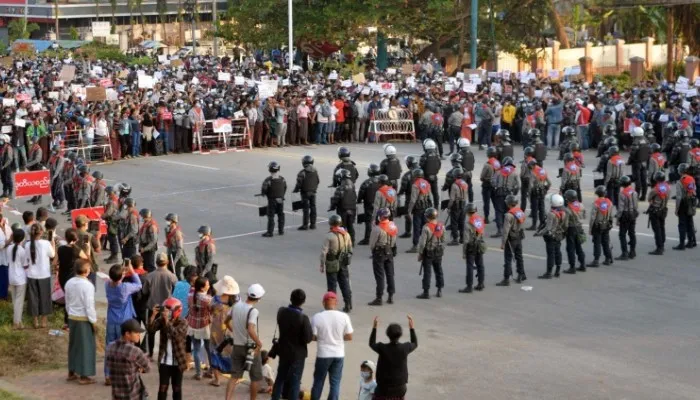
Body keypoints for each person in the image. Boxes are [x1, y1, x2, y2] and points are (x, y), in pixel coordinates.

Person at [224, 283, 266, 400]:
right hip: (250, 348)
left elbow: (226, 321)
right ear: (259, 298)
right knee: (255, 377)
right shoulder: (253, 311)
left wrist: (235, 332)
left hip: (237, 346)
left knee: (234, 376)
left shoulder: (236, 306)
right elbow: (251, 329)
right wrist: (259, 343)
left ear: (247, 294)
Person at [104, 262, 143, 386]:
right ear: (121, 277)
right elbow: (139, 285)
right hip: (124, 321)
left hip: (111, 320)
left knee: (110, 347)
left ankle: (108, 374)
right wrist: (131, 271)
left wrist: (122, 273)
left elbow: (112, 280)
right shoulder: (124, 287)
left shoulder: (107, 285)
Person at [271, 288, 313, 400]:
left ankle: (275, 397)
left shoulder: (281, 311)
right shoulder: (303, 318)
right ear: (303, 301)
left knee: (280, 377)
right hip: (297, 354)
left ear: (291, 298)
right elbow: (308, 338)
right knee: (295, 381)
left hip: (283, 350)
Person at [310, 291, 353, 400]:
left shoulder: (317, 317)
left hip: (323, 355)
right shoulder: (344, 316)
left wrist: (322, 338)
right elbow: (349, 336)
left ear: (323, 303)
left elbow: (312, 337)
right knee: (335, 383)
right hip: (338, 354)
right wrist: (338, 338)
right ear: (336, 303)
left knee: (318, 381)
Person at [65, 258, 97, 385]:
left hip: (72, 317)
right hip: (84, 318)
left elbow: (67, 302)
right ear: (86, 270)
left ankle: (71, 371)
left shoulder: (69, 283)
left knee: (74, 345)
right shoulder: (88, 285)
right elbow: (89, 305)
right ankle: (84, 375)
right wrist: (93, 321)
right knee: (86, 347)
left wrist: (70, 314)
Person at [369, 315, 418, 400]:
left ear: (387, 334)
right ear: (400, 335)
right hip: (400, 389)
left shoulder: (382, 348)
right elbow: (415, 343)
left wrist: (374, 327)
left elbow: (372, 343)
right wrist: (411, 328)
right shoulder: (405, 348)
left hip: (383, 389)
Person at [148, 297, 188, 400]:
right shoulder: (162, 320)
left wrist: (166, 320)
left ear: (176, 310)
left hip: (178, 361)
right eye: (165, 309)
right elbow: (151, 330)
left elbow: (174, 334)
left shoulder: (183, 322)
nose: (166, 312)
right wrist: (153, 315)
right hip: (164, 361)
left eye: (168, 310)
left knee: (177, 388)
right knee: (162, 387)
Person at [104, 319, 151, 400]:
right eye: (136, 332)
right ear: (127, 334)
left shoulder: (110, 347)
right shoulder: (135, 351)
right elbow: (148, 368)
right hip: (133, 395)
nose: (139, 335)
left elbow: (109, 364)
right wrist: (139, 367)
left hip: (117, 395)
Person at [143, 253, 178, 360]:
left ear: (156, 263)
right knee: (167, 330)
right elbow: (175, 292)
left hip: (153, 307)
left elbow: (144, 291)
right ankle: (165, 354)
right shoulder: (172, 276)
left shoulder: (149, 276)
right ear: (167, 262)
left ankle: (150, 354)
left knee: (151, 331)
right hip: (167, 308)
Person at [208, 275, 240, 387]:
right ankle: (234, 376)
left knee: (214, 352)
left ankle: (217, 379)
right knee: (229, 352)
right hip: (229, 329)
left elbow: (209, 308)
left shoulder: (216, 300)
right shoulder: (237, 300)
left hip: (216, 329)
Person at [319, 214, 353, 313]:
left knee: (332, 285)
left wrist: (322, 264)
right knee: (345, 283)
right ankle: (348, 304)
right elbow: (350, 249)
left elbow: (323, 252)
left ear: (331, 223)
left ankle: (331, 306)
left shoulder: (329, 236)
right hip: (343, 262)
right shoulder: (346, 234)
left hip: (331, 262)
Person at [24, 223, 55, 329]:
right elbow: (52, 255)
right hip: (44, 274)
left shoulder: (27, 244)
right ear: (41, 232)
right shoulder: (46, 243)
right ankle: (44, 321)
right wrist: (53, 243)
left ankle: (35, 321)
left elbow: (26, 259)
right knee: (44, 297)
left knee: (33, 298)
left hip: (31, 274)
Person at [368, 208, 398, 306]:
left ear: (380, 217)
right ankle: (391, 295)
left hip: (379, 252)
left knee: (380, 276)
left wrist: (373, 250)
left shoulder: (377, 228)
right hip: (389, 251)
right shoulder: (393, 226)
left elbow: (372, 243)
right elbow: (394, 241)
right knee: (390, 274)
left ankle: (379, 297)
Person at [416, 207, 445, 299]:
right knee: (438, 270)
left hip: (428, 252)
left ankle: (426, 292)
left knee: (427, 272)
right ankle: (439, 289)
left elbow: (422, 243)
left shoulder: (426, 227)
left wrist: (420, 253)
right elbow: (443, 240)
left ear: (428, 217)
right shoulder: (441, 226)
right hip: (438, 251)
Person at [536, 194, 568, 279]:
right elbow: (565, 225)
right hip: (558, 235)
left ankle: (549, 272)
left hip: (551, 236)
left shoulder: (551, 214)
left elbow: (548, 228)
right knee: (558, 252)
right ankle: (557, 270)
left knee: (551, 254)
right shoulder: (563, 212)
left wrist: (539, 233)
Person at [497, 195, 526, 286]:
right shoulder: (520, 212)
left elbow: (505, 231)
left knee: (508, 259)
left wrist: (503, 243)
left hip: (511, 239)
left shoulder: (508, 215)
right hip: (519, 237)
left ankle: (506, 279)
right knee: (519, 256)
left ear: (508, 204)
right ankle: (521, 274)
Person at [491, 156, 520, 238]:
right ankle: (509, 229)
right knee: (509, 212)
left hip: (499, 194)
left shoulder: (498, 172)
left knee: (499, 212)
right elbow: (518, 186)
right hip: (510, 194)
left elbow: (493, 182)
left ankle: (499, 230)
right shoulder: (514, 173)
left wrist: (496, 187)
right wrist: (514, 194)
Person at [406, 169, 432, 253]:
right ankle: (428, 243)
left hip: (418, 208)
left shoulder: (415, 185)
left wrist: (409, 210)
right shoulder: (426, 183)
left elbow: (413, 200)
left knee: (416, 228)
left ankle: (415, 245)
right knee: (425, 226)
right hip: (426, 207)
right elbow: (429, 196)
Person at [460, 203, 485, 293]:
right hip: (479, 243)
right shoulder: (480, 220)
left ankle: (469, 286)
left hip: (471, 246)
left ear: (467, 212)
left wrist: (463, 253)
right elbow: (482, 232)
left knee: (470, 266)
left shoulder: (468, 223)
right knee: (480, 264)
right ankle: (481, 283)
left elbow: (466, 240)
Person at [328, 169, 357, 245]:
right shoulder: (352, 185)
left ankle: (343, 242)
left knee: (342, 226)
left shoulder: (341, 187)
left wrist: (332, 207)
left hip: (343, 209)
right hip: (352, 209)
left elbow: (336, 199)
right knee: (350, 226)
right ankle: (352, 241)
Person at [588, 185, 614, 267]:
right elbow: (611, 215)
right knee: (605, 242)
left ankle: (596, 260)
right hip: (606, 225)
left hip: (597, 226)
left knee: (597, 243)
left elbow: (593, 217)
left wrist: (590, 229)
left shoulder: (596, 203)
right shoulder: (609, 202)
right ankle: (608, 258)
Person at [674, 163, 697, 250]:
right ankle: (691, 242)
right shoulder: (692, 179)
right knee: (690, 223)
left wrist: (677, 209)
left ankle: (681, 244)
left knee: (682, 224)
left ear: (681, 171)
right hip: (691, 202)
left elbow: (679, 196)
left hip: (683, 203)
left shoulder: (680, 181)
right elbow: (694, 191)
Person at [562, 189, 586, 274]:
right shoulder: (581, 205)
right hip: (579, 228)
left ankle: (572, 267)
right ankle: (583, 265)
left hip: (571, 229)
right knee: (579, 247)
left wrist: (563, 231)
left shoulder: (568, 208)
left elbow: (565, 223)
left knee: (570, 249)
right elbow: (584, 216)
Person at [615, 175, 639, 260]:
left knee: (622, 234)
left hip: (625, 214)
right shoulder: (634, 192)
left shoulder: (622, 193)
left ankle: (624, 253)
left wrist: (618, 218)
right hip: (632, 213)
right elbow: (636, 205)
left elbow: (620, 208)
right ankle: (632, 251)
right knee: (632, 233)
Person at [646, 171, 670, 255]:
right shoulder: (668, 187)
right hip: (663, 209)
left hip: (655, 210)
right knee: (662, 227)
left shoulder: (655, 189)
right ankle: (662, 243)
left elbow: (649, 198)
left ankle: (659, 247)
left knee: (657, 230)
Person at [7, 229, 27, 329]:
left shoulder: (9, 248)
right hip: (20, 278)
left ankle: (18, 321)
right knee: (19, 301)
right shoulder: (22, 250)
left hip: (11, 277)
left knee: (15, 301)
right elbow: (25, 265)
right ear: (22, 238)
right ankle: (16, 323)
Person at [293, 155, 320, 230]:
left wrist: (295, 190)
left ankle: (305, 225)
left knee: (306, 209)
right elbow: (318, 181)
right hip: (313, 192)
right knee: (313, 207)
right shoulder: (315, 171)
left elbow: (299, 183)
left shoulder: (302, 173)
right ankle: (313, 224)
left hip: (305, 193)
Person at [261, 161, 287, 237]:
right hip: (280, 199)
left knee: (271, 215)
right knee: (280, 214)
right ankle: (281, 230)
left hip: (272, 200)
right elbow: (285, 188)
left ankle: (270, 232)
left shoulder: (268, 180)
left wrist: (264, 194)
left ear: (270, 169)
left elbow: (264, 190)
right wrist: (281, 195)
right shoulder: (282, 179)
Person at [357, 165, 381, 245]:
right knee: (380, 221)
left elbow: (361, 193)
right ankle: (380, 237)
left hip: (369, 204)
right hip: (380, 204)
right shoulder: (382, 181)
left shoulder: (366, 182)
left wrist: (359, 200)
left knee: (368, 222)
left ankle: (367, 238)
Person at [526, 159, 550, 230]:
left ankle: (534, 225)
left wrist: (529, 195)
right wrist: (545, 189)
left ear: (532, 165)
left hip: (535, 193)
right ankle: (542, 224)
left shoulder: (533, 173)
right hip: (542, 192)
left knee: (534, 209)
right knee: (541, 209)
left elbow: (530, 186)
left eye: (529, 166)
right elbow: (549, 183)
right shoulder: (543, 171)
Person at [398, 156, 418, 238]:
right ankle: (418, 231)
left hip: (409, 196)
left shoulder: (407, 175)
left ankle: (408, 231)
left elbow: (403, 187)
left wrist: (400, 193)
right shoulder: (421, 172)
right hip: (421, 196)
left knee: (408, 213)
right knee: (418, 214)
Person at [480, 146, 500, 224]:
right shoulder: (498, 163)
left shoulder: (487, 165)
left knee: (486, 203)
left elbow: (482, 177)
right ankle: (497, 216)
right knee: (496, 202)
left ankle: (486, 218)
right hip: (495, 185)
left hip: (486, 185)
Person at [164, 213, 187, 280]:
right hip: (170, 254)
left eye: (168, 220)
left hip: (176, 256)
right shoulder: (169, 230)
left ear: (173, 221)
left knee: (176, 275)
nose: (167, 221)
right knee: (170, 274)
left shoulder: (177, 233)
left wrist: (174, 261)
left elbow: (180, 248)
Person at [419, 139, 441, 206]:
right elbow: (439, 166)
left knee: (425, 192)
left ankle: (428, 205)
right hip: (434, 176)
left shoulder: (424, 156)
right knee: (435, 193)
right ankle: (436, 207)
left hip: (426, 177)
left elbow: (421, 167)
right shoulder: (437, 156)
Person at [102, 186, 121, 263]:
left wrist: (101, 216)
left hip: (112, 222)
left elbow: (109, 213)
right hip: (111, 221)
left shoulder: (113, 201)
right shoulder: (113, 199)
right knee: (110, 239)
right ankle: (112, 255)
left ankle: (115, 256)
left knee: (113, 239)